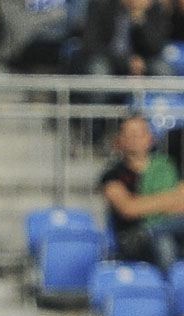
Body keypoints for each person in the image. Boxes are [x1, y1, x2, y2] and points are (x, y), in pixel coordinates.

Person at [99, 115, 184, 274]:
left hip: (171, 229)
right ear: (120, 140)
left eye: (139, 134)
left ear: (150, 138)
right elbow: (129, 208)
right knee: (162, 240)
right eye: (129, 134)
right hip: (133, 238)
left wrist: (145, 204)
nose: (134, 139)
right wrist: (171, 199)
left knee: (163, 234)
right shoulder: (112, 175)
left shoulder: (167, 167)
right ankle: (170, 289)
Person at [78, 0, 170, 78]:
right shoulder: (101, 5)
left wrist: (140, 20)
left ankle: (165, 100)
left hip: (141, 61)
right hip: (108, 58)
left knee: (162, 69)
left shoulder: (153, 8)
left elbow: (155, 47)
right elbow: (91, 44)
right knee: (99, 69)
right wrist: (125, 62)